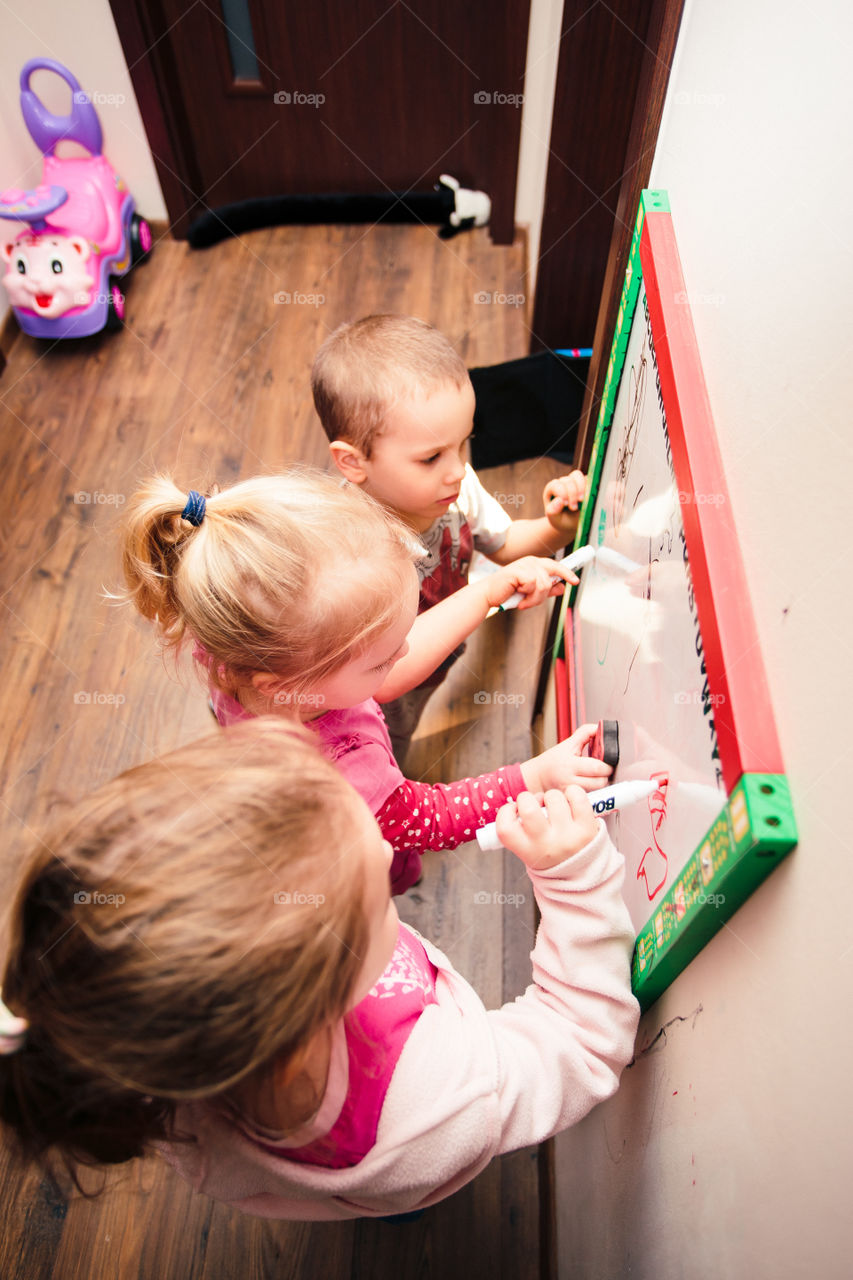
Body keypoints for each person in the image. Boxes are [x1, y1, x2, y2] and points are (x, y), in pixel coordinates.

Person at [0, 719, 640, 1219]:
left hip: (349, 1173)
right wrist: (575, 880)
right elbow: (579, 1045)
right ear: (318, 1007)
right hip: (414, 1158)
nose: (390, 844)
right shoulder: (443, 1101)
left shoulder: (154, 1062)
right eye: (374, 887)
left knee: (377, 1196)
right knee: (402, 1190)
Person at [119, 470, 612, 896]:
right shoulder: (351, 768)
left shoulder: (235, 643)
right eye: (380, 661)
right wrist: (535, 778)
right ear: (285, 683)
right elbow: (431, 818)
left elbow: (395, 658)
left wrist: (486, 591)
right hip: (354, 852)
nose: (403, 653)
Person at [312, 313, 588, 763]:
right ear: (353, 462)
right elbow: (384, 678)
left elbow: (504, 544)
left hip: (430, 669)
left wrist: (557, 527)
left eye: (463, 443)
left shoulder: (454, 487)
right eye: (431, 457)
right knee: (384, 752)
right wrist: (482, 597)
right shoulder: (351, 552)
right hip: (372, 701)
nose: (458, 469)